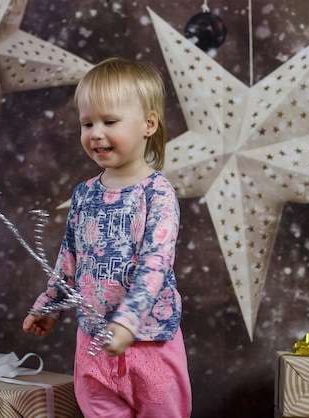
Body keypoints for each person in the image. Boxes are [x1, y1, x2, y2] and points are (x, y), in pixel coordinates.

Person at [22, 57, 192, 418]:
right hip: (94, 342)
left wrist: (126, 322)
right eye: (87, 123)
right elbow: (70, 255)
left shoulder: (156, 193)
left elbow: (156, 264)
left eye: (109, 121)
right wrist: (50, 304)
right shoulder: (84, 193)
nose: (95, 133)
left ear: (148, 124)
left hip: (150, 340)